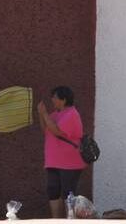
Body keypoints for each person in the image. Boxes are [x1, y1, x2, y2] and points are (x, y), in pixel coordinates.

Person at [37, 86, 87, 218]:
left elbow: (57, 131)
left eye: (54, 97)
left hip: (69, 163)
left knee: (67, 192)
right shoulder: (55, 114)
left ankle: (70, 218)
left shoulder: (72, 114)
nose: (52, 100)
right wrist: (41, 115)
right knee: (53, 190)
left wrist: (44, 114)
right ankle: (56, 219)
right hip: (53, 161)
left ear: (63, 100)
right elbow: (46, 129)